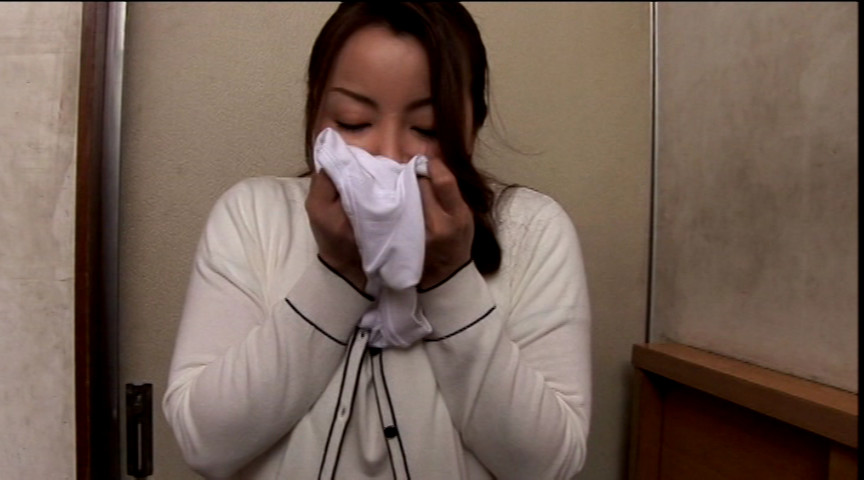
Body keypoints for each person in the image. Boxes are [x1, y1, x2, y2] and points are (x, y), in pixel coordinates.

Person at [162, 2, 591, 479]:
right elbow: (205, 442)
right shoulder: (253, 215)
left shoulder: (532, 229)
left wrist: (448, 278)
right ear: (315, 111)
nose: (388, 154)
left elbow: (548, 466)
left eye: (427, 129)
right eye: (353, 121)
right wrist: (339, 272)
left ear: (473, 127)